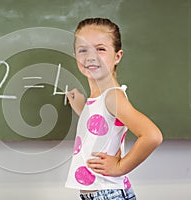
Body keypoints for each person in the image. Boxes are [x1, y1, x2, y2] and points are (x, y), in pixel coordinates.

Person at [65, 18, 163, 200]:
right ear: (75, 55)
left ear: (117, 56)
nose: (90, 56)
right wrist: (81, 107)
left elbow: (152, 135)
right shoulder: (101, 97)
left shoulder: (112, 96)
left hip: (107, 193)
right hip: (102, 192)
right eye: (83, 50)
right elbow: (104, 126)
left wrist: (120, 167)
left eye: (100, 49)